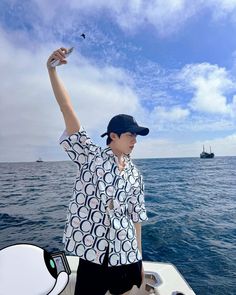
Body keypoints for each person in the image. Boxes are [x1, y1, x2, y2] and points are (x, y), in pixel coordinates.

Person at [47, 47, 149, 295]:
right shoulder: (89, 156)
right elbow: (66, 107)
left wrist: (138, 258)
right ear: (113, 136)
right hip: (93, 254)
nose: (135, 140)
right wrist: (51, 70)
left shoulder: (135, 174)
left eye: (136, 136)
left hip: (125, 253)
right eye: (130, 135)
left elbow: (135, 218)